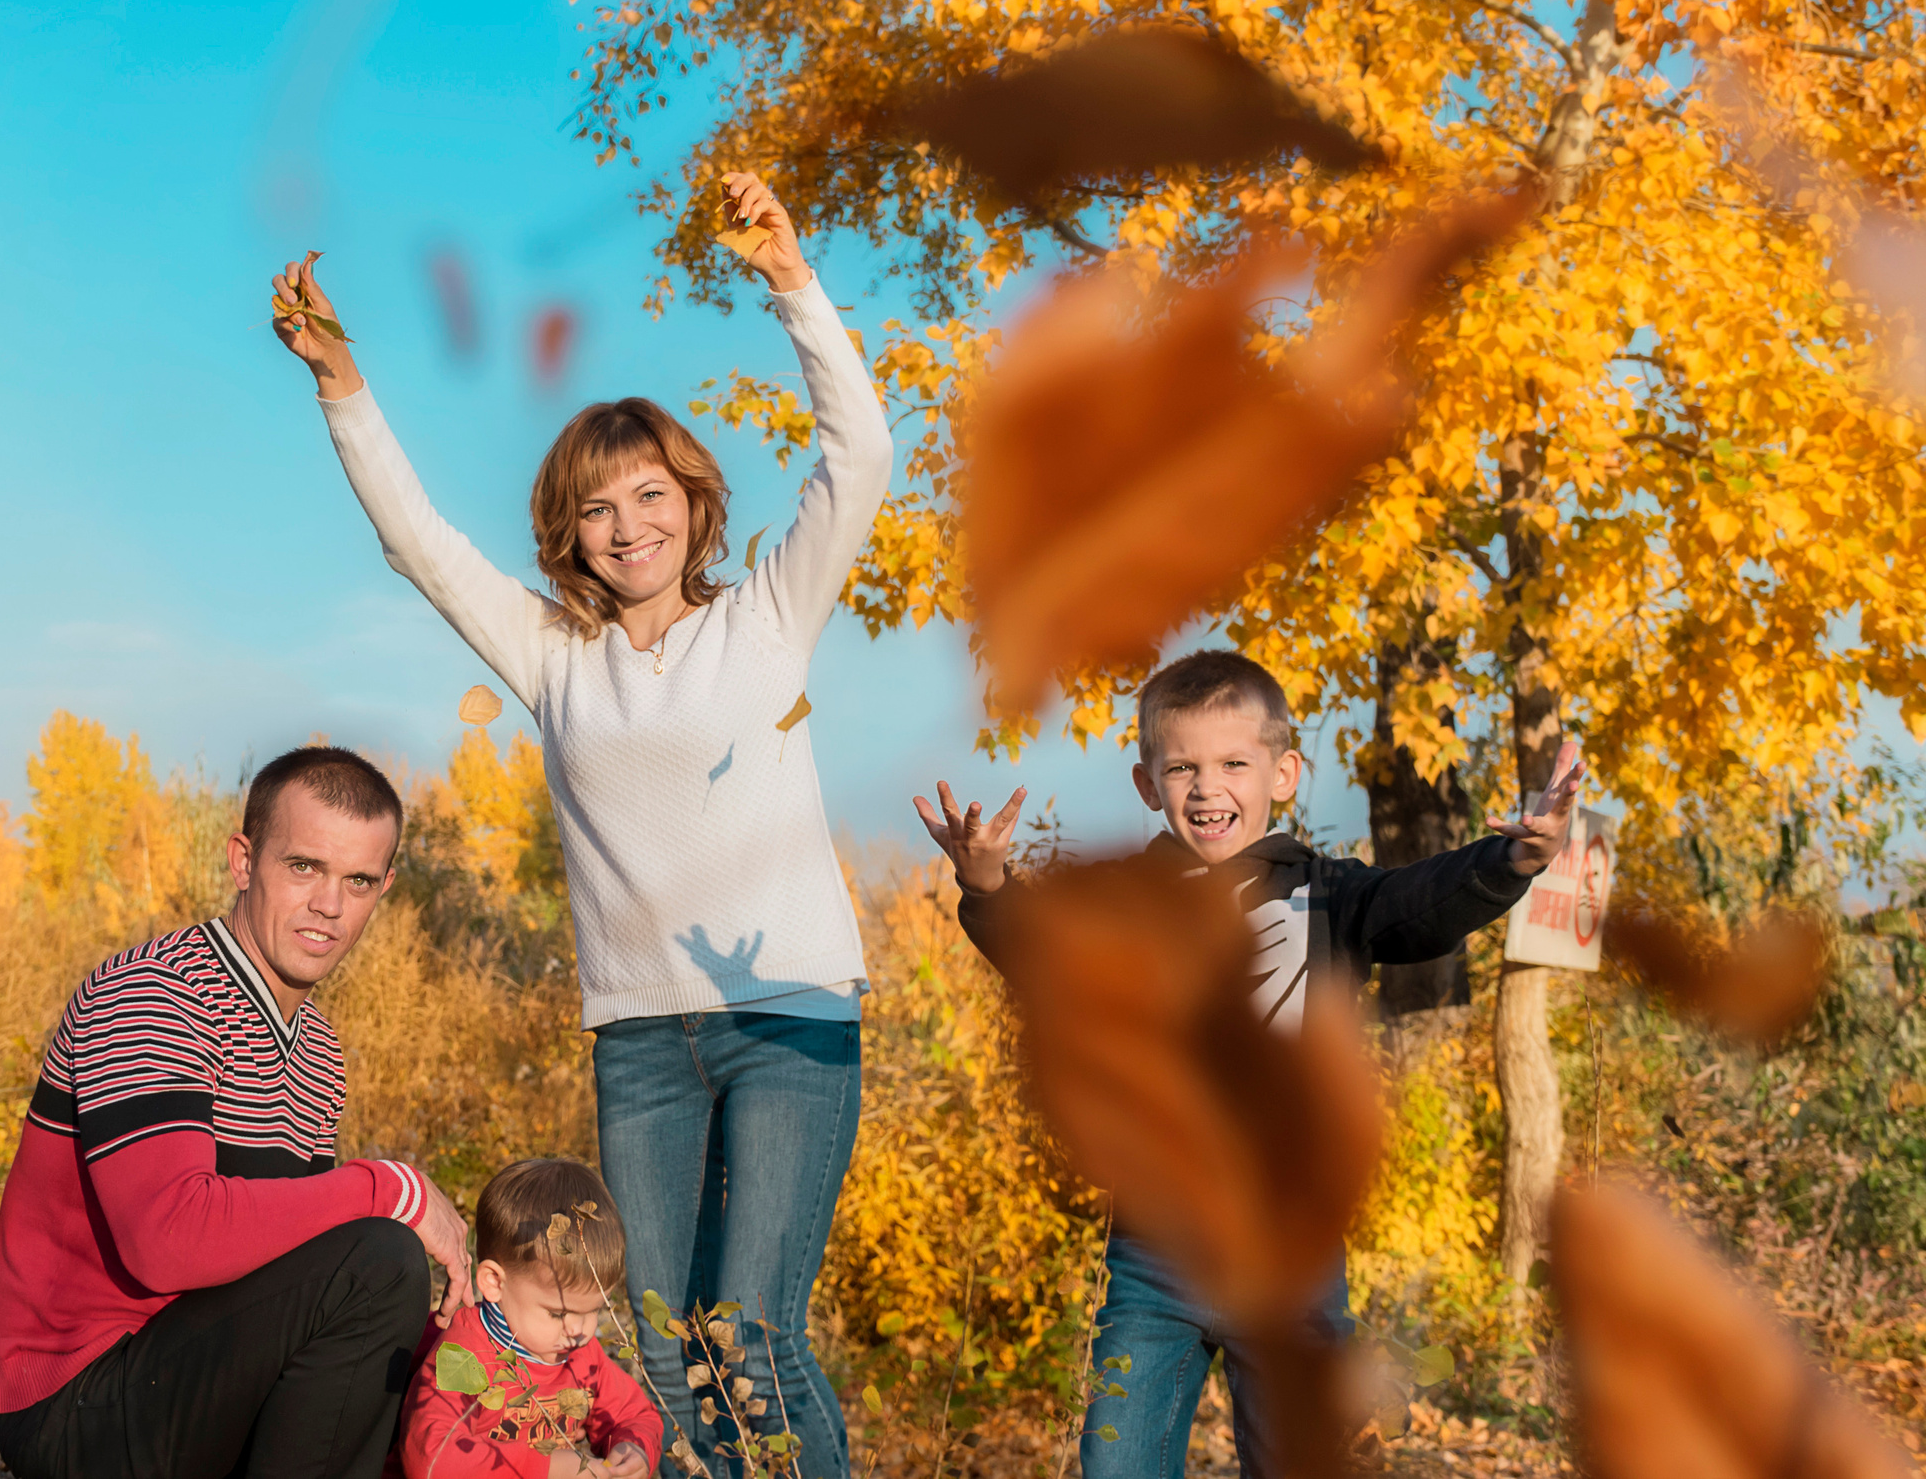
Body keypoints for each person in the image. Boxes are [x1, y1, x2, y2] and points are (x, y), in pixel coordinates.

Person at [270, 171, 894, 1479]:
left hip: (787, 1020)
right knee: (662, 1342)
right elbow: (423, 546)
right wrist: (344, 387)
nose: (628, 525)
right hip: (641, 1043)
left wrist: (789, 277)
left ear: (692, 498)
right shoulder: (558, 660)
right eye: (598, 508)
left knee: (753, 1336)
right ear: (571, 533)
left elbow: (862, 455)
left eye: (650, 494)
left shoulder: (767, 616)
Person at [912, 649, 1583, 1479]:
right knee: (1116, 1462)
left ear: (1284, 773)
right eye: (1182, 766)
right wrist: (988, 886)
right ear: (1147, 783)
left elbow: (1424, 902)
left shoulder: (1332, 894)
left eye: (1234, 763)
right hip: (1154, 1255)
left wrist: (1510, 859)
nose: (1206, 785)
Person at [0, 745, 475, 1479]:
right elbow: (168, 1241)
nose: (329, 905)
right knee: (378, 1258)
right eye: (303, 866)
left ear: (383, 887)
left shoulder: (318, 1048)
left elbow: (289, 1266)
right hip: (76, 1397)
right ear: (244, 860)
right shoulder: (153, 993)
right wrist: (394, 1188)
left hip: (190, 1365)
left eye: (358, 880)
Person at [394, 1159, 662, 1479]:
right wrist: (549, 1469)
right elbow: (431, 1460)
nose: (580, 1331)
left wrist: (634, 1448)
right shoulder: (463, 1357)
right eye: (558, 1313)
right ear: (494, 1282)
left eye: (594, 1310)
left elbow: (634, 1414)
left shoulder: (580, 1356)